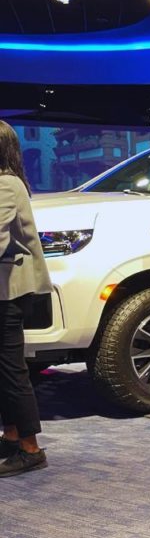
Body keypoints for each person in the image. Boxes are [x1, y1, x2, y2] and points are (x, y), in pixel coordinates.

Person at [0, 121, 52, 476]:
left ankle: (30, 448)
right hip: (6, 289)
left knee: (12, 370)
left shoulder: (5, 184)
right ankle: (12, 434)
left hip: (8, 292)